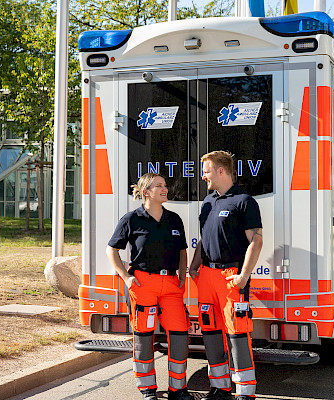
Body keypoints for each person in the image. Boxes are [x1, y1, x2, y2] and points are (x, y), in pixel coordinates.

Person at [106, 172, 193, 400]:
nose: (165, 189)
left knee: (180, 334)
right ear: (146, 192)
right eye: (159, 186)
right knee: (144, 336)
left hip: (171, 284)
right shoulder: (132, 219)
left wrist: (182, 277)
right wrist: (126, 278)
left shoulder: (174, 219)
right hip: (143, 283)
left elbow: (182, 251)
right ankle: (147, 390)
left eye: (165, 185)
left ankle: (178, 389)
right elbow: (111, 250)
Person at [189, 151, 263, 400]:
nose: (203, 176)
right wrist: (193, 265)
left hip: (232, 276)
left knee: (237, 333)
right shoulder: (208, 202)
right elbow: (203, 238)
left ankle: (244, 393)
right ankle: (219, 388)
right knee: (210, 332)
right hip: (207, 276)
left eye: (206, 171)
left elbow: (256, 240)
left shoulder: (244, 201)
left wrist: (243, 276)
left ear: (221, 171)